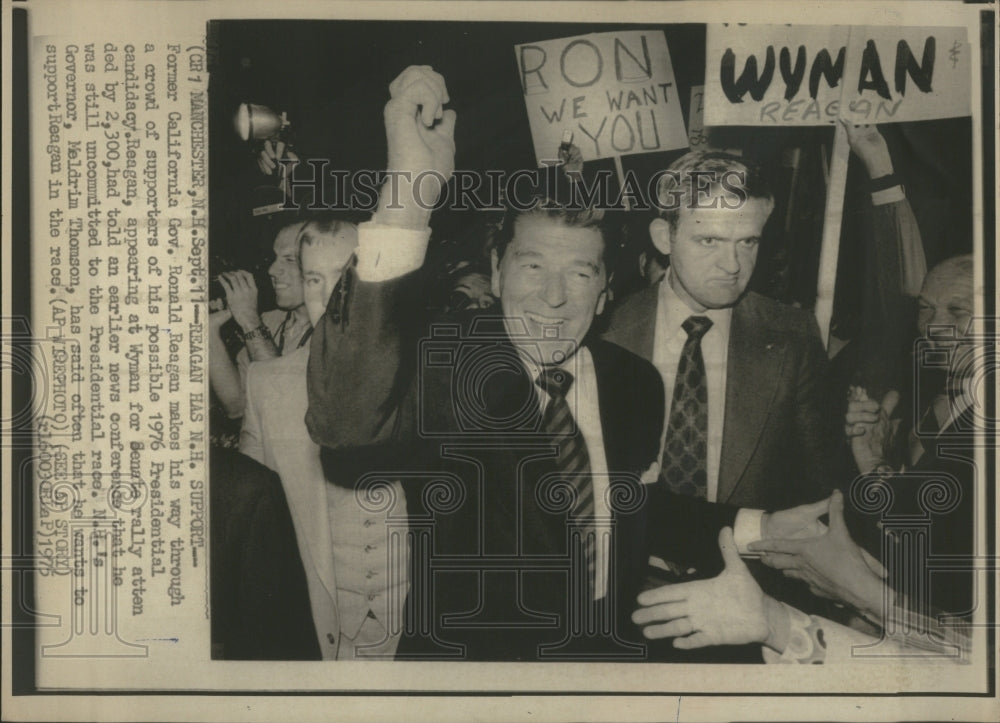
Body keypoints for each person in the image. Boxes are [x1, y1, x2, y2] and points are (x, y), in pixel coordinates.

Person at [305, 65, 830, 662]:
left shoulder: (631, 382)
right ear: (498, 273)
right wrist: (408, 194)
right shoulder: (448, 369)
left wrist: (762, 526)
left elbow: (625, 508)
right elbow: (343, 423)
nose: (554, 297)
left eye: (580, 273)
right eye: (532, 267)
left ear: (606, 289)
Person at [749, 255, 980, 653]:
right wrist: (872, 461)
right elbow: (933, 531)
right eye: (925, 309)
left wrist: (864, 594)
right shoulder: (933, 400)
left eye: (957, 310)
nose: (934, 327)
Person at [603, 149, 839, 511]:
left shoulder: (793, 337)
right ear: (664, 237)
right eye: (709, 240)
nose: (732, 265)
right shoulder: (605, 330)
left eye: (748, 242)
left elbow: (818, 487)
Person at [240, 216, 410, 660]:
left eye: (348, 276)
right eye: (314, 278)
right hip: (324, 637)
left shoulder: (429, 379)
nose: (332, 297)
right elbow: (256, 534)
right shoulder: (266, 384)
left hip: (420, 637)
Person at [208, 219, 314, 419]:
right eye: (275, 258)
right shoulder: (269, 321)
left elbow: (282, 404)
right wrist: (210, 329)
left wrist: (248, 319)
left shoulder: (338, 331)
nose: (272, 270)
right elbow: (237, 406)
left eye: (290, 259)